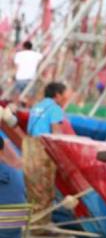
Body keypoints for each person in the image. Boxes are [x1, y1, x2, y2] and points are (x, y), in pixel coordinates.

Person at [23, 82, 72, 217]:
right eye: (64, 95)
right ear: (57, 95)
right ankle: (42, 223)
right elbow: (55, 134)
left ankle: (32, 219)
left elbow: (29, 130)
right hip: (44, 149)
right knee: (45, 187)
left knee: (33, 186)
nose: (65, 99)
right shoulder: (55, 109)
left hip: (30, 147)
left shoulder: (36, 107)